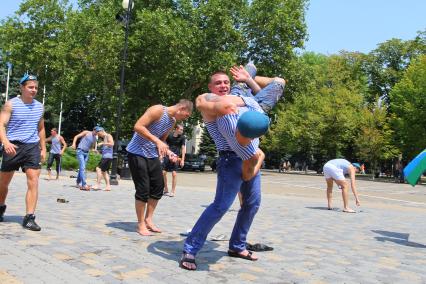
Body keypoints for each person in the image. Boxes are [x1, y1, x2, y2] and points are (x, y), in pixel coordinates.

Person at [126, 99, 193, 236]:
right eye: (186, 115)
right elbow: (138, 127)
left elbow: (161, 140)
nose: (185, 119)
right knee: (143, 189)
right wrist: (156, 140)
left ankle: (148, 219)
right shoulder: (158, 110)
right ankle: (140, 224)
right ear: (181, 108)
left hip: (151, 154)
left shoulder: (172, 121)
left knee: (158, 187)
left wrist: (169, 152)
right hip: (136, 152)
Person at [0, 74, 46, 231]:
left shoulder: (39, 106)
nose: (34, 90)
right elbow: (1, 124)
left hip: (32, 147)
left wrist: (43, 148)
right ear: (22, 87)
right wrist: (5, 142)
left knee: (33, 181)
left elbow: (41, 128)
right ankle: (0, 207)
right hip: (13, 147)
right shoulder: (11, 104)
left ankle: (29, 217)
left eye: (36, 87)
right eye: (30, 87)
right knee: (3, 183)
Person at [71, 126, 103, 191]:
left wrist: (94, 150)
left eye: (98, 132)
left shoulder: (95, 138)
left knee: (82, 168)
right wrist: (74, 144)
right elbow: (76, 136)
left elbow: (91, 147)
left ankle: (78, 183)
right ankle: (84, 184)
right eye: (96, 131)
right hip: (80, 151)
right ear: (93, 130)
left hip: (86, 153)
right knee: (82, 168)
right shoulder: (86, 132)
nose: (97, 133)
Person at [162, 124, 186, 197]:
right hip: (167, 155)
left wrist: (182, 160)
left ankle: (172, 191)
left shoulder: (182, 137)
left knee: (174, 174)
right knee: (163, 173)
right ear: (176, 129)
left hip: (176, 157)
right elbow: (164, 144)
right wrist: (163, 154)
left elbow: (183, 148)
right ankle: (165, 189)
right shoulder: (169, 135)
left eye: (182, 130)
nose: (182, 131)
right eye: (181, 129)